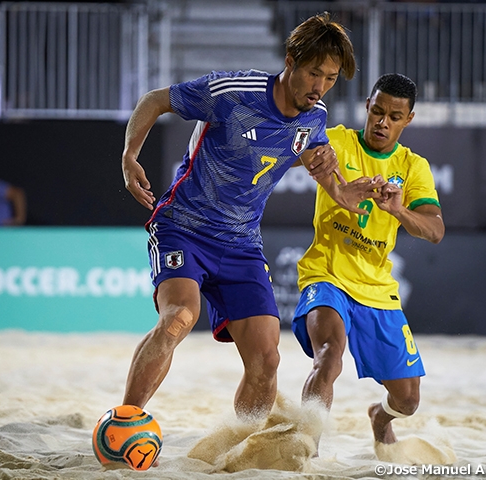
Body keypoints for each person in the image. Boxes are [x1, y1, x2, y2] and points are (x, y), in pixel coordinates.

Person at [120, 12, 384, 419]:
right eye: (315, 73)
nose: (321, 87)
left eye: (330, 78)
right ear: (291, 60)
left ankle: (240, 445)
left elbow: (313, 157)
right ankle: (126, 421)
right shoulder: (233, 92)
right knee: (179, 318)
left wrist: (340, 189)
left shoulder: (314, 117)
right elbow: (155, 100)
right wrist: (129, 156)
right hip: (184, 227)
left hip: (242, 243)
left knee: (268, 359)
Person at [291, 73, 445, 447]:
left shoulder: (413, 168)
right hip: (326, 275)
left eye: (394, 116)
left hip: (377, 288)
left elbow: (435, 230)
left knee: (408, 401)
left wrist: (398, 210)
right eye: (377, 111)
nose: (383, 122)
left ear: (408, 119)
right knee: (328, 355)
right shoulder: (338, 140)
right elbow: (285, 152)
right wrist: (306, 156)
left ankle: (380, 416)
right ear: (367, 106)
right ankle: (305, 447)